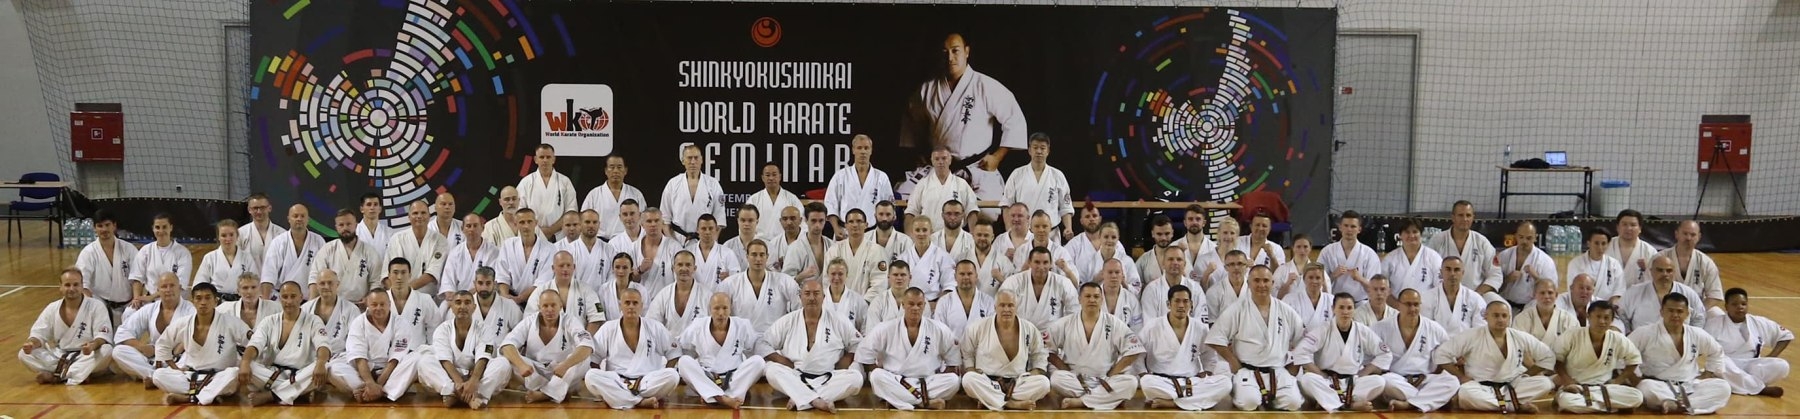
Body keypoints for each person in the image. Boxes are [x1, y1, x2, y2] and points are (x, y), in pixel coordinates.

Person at [899, 33, 1023, 217]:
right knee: (902, 200)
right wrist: (919, 154)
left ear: (967, 51)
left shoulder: (985, 85)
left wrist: (997, 157)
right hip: (937, 167)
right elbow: (911, 121)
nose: (950, 58)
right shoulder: (927, 89)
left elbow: (1015, 119)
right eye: (945, 52)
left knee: (987, 212)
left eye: (955, 51)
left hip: (976, 168)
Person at [1205, 265, 1305, 411]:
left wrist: (1295, 366)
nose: (1261, 285)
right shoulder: (1238, 308)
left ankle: (1268, 398)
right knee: (1249, 402)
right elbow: (1215, 338)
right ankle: (1242, 390)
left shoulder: (1286, 310)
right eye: (1256, 280)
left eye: (1266, 280)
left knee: (1293, 403)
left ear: (1272, 283)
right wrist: (1233, 362)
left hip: (1278, 370)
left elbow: (1303, 342)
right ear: (1249, 283)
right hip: (1248, 371)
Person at [759, 279, 864, 412]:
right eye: (807, 293)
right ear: (800, 297)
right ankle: (815, 400)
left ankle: (801, 397)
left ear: (823, 297)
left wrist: (848, 358)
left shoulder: (838, 319)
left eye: (816, 293)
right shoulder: (788, 320)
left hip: (829, 378)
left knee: (856, 378)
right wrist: (780, 359)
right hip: (796, 376)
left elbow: (858, 343)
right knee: (771, 370)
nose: (812, 298)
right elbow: (762, 343)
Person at [1435, 300, 1556, 413]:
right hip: (1480, 387)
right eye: (1496, 315)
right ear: (1486, 316)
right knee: (1466, 393)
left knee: (1545, 383)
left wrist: (1527, 374)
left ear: (1509, 318)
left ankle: (1501, 404)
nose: (1500, 319)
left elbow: (1548, 356)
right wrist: (1461, 377)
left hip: (1512, 387)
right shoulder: (1471, 335)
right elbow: (1441, 354)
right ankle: (1513, 406)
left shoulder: (1519, 336)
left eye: (1504, 316)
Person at [858, 287, 962, 410]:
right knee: (876, 376)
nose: (915, 308)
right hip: (897, 381)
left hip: (927, 382)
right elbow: (865, 356)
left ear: (924, 306)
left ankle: (898, 400)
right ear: (903, 305)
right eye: (911, 304)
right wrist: (889, 377)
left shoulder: (939, 329)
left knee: (954, 380)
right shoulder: (886, 328)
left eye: (919, 304)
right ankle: (924, 402)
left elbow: (953, 362)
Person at [1046, 282, 1145, 410]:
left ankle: (1081, 401)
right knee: (1056, 379)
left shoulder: (1114, 323)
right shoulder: (1066, 323)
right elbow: (1047, 350)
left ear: (1102, 299)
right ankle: (1107, 399)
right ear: (1079, 299)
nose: (1092, 300)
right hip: (1076, 379)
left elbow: (1134, 350)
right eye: (1087, 296)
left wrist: (1112, 374)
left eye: (1096, 296)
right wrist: (1065, 369)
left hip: (1105, 379)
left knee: (1131, 382)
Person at [1630, 293, 1733, 414]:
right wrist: (1635, 379)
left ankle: (1674, 405)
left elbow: (1716, 351)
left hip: (1690, 384)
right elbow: (1624, 354)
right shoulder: (1645, 332)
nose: (1675, 315)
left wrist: (1707, 374)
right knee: (1646, 387)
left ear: (1687, 313)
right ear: (1662, 312)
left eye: (1679, 311)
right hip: (1659, 385)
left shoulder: (1696, 333)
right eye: (1670, 311)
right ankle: (1687, 405)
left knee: (1723, 387)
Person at [150, 282, 250, 405]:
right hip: (191, 376)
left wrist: (245, 363)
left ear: (216, 301)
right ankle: (208, 395)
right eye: (198, 298)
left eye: (207, 298)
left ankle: (189, 397)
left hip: (219, 376)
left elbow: (253, 343)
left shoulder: (230, 322)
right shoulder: (184, 323)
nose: (203, 302)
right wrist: (175, 368)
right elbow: (162, 344)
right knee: (158, 375)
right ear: (193, 301)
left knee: (233, 374)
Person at [1138, 284, 1233, 410]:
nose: (1181, 305)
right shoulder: (1153, 326)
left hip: (1191, 382)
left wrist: (1207, 371)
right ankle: (1193, 401)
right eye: (1177, 301)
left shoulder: (1200, 328)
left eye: (1185, 301)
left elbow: (1209, 354)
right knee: (1146, 382)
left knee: (1225, 383)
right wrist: (1143, 373)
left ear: (1191, 304)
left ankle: (1173, 403)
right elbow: (1138, 353)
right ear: (1168, 304)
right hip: (1162, 382)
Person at [490, 289, 594, 404]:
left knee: (584, 358)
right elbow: (507, 345)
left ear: (560, 306)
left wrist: (565, 365)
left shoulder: (570, 321)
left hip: (562, 373)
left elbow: (587, 345)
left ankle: (546, 394)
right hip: (536, 373)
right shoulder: (529, 321)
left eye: (553, 305)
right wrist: (521, 365)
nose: (550, 309)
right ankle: (554, 391)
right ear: (539, 307)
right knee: (506, 357)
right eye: (545, 306)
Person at [1293, 293, 1391, 412]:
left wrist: (1364, 372)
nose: (1345, 312)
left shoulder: (1362, 330)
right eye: (1341, 307)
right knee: (1307, 379)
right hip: (1328, 381)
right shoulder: (1324, 329)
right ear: (1333, 309)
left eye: (1349, 308)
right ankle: (1349, 405)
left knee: (1379, 382)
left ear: (1354, 310)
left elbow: (1385, 353)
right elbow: (1300, 351)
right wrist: (1320, 374)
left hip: (1352, 382)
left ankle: (1330, 401)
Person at [584, 288, 680, 410]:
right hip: (618, 382)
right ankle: (639, 401)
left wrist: (608, 392)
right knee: (591, 376)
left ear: (641, 306)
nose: (631, 307)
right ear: (620, 305)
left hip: (647, 382)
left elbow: (674, 353)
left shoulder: (655, 327)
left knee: (673, 375)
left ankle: (621, 398)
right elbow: (594, 359)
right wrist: (608, 384)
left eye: (635, 303)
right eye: (627, 303)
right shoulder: (608, 328)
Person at [239, 281, 331, 406]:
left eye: (293, 296)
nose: (289, 301)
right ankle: (297, 392)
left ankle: (271, 395)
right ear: (280, 299)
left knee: (325, 365)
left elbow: (323, 345)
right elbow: (255, 344)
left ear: (301, 297)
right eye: (285, 297)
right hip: (273, 373)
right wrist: (245, 363)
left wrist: (320, 363)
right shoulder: (269, 321)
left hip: (300, 373)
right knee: (246, 365)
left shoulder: (313, 320)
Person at [408, 290, 504, 409]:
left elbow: (483, 358)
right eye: (458, 302)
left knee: (503, 363)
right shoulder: (442, 329)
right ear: (452, 307)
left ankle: (471, 394)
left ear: (474, 307)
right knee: (424, 362)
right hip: (450, 376)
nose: (462, 306)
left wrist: (473, 381)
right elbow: (445, 360)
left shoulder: (485, 329)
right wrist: (458, 383)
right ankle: (465, 396)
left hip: (476, 376)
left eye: (467, 302)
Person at [960, 290, 1052, 411]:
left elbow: (1039, 355)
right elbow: (967, 354)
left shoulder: (1029, 328)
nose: (1006, 309)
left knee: (1044, 383)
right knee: (968, 379)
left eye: (1010, 305)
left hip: (1016, 384)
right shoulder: (978, 327)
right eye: (1002, 305)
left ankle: (990, 400)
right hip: (987, 381)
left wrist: (1032, 374)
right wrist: (972, 371)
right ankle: (1010, 403)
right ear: (995, 307)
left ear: (1016, 307)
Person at [329, 288, 425, 403]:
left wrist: (378, 384)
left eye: (382, 304)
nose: (378, 308)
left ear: (389, 304)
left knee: (416, 358)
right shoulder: (358, 323)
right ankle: (367, 389)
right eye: (374, 305)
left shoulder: (400, 323)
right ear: (367, 305)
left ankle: (379, 392)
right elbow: (359, 358)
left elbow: (395, 359)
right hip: (363, 372)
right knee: (334, 367)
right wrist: (370, 383)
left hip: (391, 372)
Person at [20, 268, 114, 385]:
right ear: (60, 287)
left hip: (86, 355)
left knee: (107, 350)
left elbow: (103, 336)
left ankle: (57, 375)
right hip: (59, 356)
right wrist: (31, 344)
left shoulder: (96, 306)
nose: (72, 289)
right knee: (24, 354)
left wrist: (92, 345)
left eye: (76, 285)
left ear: (82, 286)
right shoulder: (52, 308)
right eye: (67, 285)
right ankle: (76, 374)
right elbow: (38, 334)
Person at [1548, 301, 1644, 413]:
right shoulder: (1572, 335)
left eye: (1606, 317)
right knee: (1567, 401)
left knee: (1637, 397)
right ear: (1588, 317)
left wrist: (1618, 381)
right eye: (1598, 317)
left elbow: (1634, 360)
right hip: (1577, 387)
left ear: (1612, 320)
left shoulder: (1617, 338)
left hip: (1605, 388)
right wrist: (1568, 381)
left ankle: (1592, 404)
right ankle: (1613, 407)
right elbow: (1557, 360)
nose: (1602, 321)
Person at [1372, 288, 1459, 412]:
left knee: (1452, 381)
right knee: (1384, 381)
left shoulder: (1434, 328)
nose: (1412, 309)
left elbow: (1447, 357)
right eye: (1408, 304)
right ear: (1398, 305)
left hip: (1425, 380)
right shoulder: (1380, 327)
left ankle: (1409, 404)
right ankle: (1430, 400)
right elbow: (1370, 357)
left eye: (1416, 304)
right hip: (1397, 381)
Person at [676, 293, 766, 409]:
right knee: (684, 361)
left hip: (734, 378)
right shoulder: (698, 325)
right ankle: (723, 398)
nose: (721, 313)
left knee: (759, 361)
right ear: (710, 309)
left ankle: (713, 396)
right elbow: (680, 345)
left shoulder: (742, 325)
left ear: (730, 309)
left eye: (725, 308)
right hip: (707, 377)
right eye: (716, 308)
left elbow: (754, 348)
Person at [1704, 287, 1790, 397]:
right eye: (1734, 304)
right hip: (1728, 366)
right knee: (1720, 361)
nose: (1740, 307)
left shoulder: (1758, 321)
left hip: (1752, 365)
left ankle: (1740, 384)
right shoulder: (1714, 324)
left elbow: (1785, 336)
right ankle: (1760, 389)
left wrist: (1770, 356)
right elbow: (1704, 349)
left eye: (1743, 304)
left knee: (1782, 365)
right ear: (1726, 306)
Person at [112, 273, 192, 387]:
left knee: (191, 355)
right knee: (118, 351)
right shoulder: (150, 309)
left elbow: (196, 335)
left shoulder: (190, 310)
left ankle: (159, 377)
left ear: (179, 288)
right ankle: (155, 376)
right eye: (164, 286)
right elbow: (123, 331)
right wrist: (142, 347)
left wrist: (173, 352)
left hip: (177, 358)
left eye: (172, 285)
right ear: (158, 290)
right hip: (153, 359)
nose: (168, 290)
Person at [823, 134, 895, 239]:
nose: (863, 152)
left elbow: (888, 205)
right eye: (859, 148)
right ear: (853, 150)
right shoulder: (840, 176)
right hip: (845, 231)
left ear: (871, 150)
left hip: (873, 232)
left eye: (866, 148)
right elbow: (830, 204)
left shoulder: (881, 177)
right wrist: (836, 228)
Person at [1001, 134, 1073, 237]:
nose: (1039, 151)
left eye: (1042, 148)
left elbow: (1066, 206)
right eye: (1035, 147)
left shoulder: (1057, 175)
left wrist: (1068, 228)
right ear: (1029, 150)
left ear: (1048, 151)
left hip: (1051, 233)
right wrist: (1009, 231)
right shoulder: (1017, 174)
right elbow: (1007, 204)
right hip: (1023, 233)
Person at [718, 240, 799, 332]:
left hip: (775, 336)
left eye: (762, 255)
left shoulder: (784, 281)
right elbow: (719, 312)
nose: (758, 259)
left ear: (767, 257)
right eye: (754, 254)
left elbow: (799, 307)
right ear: (747, 257)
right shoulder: (730, 283)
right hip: (742, 336)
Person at [1425, 201, 1503, 296]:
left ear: (1473, 217)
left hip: (1477, 295)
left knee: (1499, 302)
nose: (1465, 219)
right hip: (1442, 294)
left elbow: (1495, 275)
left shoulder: (1482, 242)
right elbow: (1428, 270)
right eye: (1460, 215)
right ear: (1453, 217)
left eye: (1468, 215)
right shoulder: (1437, 240)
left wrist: (1477, 295)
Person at [77, 210, 138, 323]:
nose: (104, 229)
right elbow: (83, 283)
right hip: (101, 306)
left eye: (107, 225)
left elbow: (137, 277)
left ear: (114, 226)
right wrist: (91, 307)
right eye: (100, 226)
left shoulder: (129, 249)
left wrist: (136, 300)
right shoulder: (88, 253)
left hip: (128, 306)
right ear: (94, 228)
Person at [1618, 256, 1706, 333]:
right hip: (1642, 341)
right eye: (1660, 270)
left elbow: (1699, 317)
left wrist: (1692, 336)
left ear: (1674, 272)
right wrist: (1629, 335)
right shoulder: (1634, 292)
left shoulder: (1688, 293)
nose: (1665, 274)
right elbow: (1621, 315)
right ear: (1651, 271)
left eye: (1669, 271)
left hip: (1679, 341)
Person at [524, 252, 604, 336]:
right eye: (561, 266)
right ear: (553, 268)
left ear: (574, 267)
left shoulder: (587, 290)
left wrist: (584, 340)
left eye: (568, 265)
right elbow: (529, 319)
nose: (565, 269)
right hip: (548, 339)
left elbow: (596, 319)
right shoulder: (540, 291)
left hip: (579, 338)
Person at [311, 209, 382, 302]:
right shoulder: (327, 249)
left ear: (356, 225)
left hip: (361, 305)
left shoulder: (369, 251)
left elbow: (376, 281)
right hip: (333, 304)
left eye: (348, 224)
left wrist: (369, 299)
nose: (345, 228)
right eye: (341, 225)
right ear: (336, 227)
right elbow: (316, 277)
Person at [999, 247, 1078, 329]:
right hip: (1021, 332)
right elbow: (1000, 308)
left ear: (1051, 263)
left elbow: (1074, 310)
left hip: (1053, 334)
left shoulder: (1063, 282)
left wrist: (1064, 331)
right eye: (1037, 262)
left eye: (1045, 262)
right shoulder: (1013, 282)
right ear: (1029, 262)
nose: (1041, 267)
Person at [660, 144, 726, 241]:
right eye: (689, 158)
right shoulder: (673, 184)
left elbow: (719, 219)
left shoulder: (713, 184)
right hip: (678, 238)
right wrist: (672, 243)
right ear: (683, 161)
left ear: (702, 160)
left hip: (705, 239)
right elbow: (665, 221)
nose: (693, 162)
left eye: (696, 158)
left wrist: (712, 243)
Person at [905, 148, 979, 232]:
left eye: (944, 158)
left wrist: (973, 235)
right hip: (929, 235)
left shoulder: (961, 184)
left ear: (950, 160)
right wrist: (910, 236)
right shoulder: (923, 184)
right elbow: (911, 211)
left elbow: (972, 210)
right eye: (937, 159)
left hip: (955, 234)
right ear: (932, 161)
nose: (940, 162)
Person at [386, 201, 449, 297]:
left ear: (429, 216)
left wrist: (406, 290)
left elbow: (432, 273)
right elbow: (386, 274)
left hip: (428, 297)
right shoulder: (397, 239)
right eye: (415, 213)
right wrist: (397, 294)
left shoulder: (440, 240)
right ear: (409, 217)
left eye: (423, 213)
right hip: (399, 297)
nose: (419, 216)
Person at [1658, 220, 1725, 310]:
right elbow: (1649, 288)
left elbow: (1714, 295)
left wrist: (1698, 312)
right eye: (1685, 234)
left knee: (1717, 312)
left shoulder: (1706, 262)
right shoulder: (1660, 258)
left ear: (1699, 237)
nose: (1688, 238)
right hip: (1664, 308)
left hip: (1695, 309)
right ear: (1676, 234)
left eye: (1693, 235)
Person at [821, 209, 888, 298]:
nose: (855, 225)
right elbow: (827, 280)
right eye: (851, 222)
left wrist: (861, 303)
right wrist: (838, 301)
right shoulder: (834, 250)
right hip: (839, 303)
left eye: (859, 221)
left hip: (866, 304)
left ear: (866, 225)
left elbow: (879, 284)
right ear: (846, 225)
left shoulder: (877, 251)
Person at [262, 204, 324, 299]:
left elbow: (321, 273)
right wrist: (265, 301)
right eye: (295, 216)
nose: (299, 219)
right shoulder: (278, 242)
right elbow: (269, 273)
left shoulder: (318, 241)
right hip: (282, 298)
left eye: (302, 216)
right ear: (289, 219)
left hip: (309, 297)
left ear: (308, 219)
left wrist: (311, 302)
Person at [301, 271, 362, 367]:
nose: (326, 286)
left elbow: (356, 341)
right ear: (317, 286)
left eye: (330, 283)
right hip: (309, 359)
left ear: (337, 284)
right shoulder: (305, 309)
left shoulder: (351, 310)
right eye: (322, 283)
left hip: (339, 359)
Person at [516, 144, 579, 237]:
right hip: (532, 234)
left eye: (548, 157)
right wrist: (538, 231)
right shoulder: (526, 182)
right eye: (541, 157)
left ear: (553, 159)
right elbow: (520, 211)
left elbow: (571, 211)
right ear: (535, 159)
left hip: (559, 235)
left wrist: (551, 230)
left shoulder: (565, 181)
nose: (545, 160)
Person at [1497, 222, 1560, 312]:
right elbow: (1493, 284)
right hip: (1504, 305)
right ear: (1516, 236)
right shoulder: (1504, 256)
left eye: (1529, 238)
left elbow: (1551, 292)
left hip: (1531, 308)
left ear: (1535, 238)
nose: (1524, 241)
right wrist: (1507, 279)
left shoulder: (1545, 261)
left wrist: (1536, 277)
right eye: (1521, 237)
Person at [496, 208, 555, 304]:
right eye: (522, 222)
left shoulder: (550, 249)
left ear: (536, 223)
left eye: (529, 222)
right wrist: (505, 297)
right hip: (509, 299)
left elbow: (543, 281)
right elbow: (502, 276)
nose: (526, 226)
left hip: (538, 300)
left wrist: (520, 299)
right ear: (515, 224)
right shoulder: (508, 245)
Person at [645, 251, 710, 338]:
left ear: (694, 268)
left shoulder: (707, 295)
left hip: (697, 345)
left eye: (688, 265)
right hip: (669, 345)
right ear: (673, 268)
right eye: (680, 264)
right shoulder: (664, 294)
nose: (684, 268)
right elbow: (651, 323)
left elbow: (714, 326)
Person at [1320, 212, 1382, 301]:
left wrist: (1360, 278)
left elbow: (1376, 287)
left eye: (1353, 226)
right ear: (1340, 227)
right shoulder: (1327, 251)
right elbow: (1317, 281)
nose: (1349, 229)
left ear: (1359, 229)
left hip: (1361, 303)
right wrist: (1333, 275)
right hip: (1334, 302)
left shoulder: (1369, 254)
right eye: (1346, 226)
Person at [581, 155, 647, 238]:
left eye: (619, 167)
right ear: (606, 171)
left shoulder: (636, 194)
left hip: (628, 240)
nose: (615, 171)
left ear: (625, 170)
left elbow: (644, 220)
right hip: (600, 240)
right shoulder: (594, 194)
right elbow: (584, 219)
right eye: (612, 167)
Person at [129, 213, 193, 297]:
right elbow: (137, 277)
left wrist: (151, 297)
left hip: (174, 299)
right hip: (150, 300)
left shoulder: (183, 253)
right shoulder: (145, 250)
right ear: (153, 229)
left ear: (171, 227)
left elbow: (180, 284)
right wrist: (137, 299)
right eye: (157, 227)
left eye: (164, 227)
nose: (161, 231)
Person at [1141, 246, 1208, 323]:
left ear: (1185, 264)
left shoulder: (1195, 289)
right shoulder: (1151, 290)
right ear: (1163, 263)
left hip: (1191, 331)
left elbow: (1201, 323)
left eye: (1179, 259)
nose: (1175, 263)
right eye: (1170, 259)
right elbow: (1149, 324)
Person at [626, 208, 685, 294]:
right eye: (649, 221)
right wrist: (640, 270)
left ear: (662, 223)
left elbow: (680, 278)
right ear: (642, 224)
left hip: (666, 298)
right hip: (641, 298)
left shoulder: (674, 247)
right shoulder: (633, 248)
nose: (653, 224)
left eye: (657, 221)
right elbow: (630, 281)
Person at [1381, 218, 1442, 301]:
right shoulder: (1390, 259)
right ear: (1400, 235)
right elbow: (1382, 289)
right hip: (1396, 307)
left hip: (1426, 307)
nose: (1411, 235)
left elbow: (1440, 286)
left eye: (1415, 232)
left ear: (1421, 234)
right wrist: (1398, 306)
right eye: (1407, 232)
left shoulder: (1433, 257)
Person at [196, 219, 258, 301]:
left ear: (237, 235)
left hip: (241, 302)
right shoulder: (210, 258)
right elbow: (200, 285)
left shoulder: (247, 257)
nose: (228, 239)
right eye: (223, 235)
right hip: (217, 302)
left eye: (231, 235)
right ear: (218, 237)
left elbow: (254, 282)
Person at [894, 216, 953, 301]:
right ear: (912, 232)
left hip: (934, 303)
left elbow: (949, 285)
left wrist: (939, 304)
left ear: (931, 231)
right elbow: (897, 287)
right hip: (909, 303)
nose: (921, 234)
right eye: (917, 230)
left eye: (924, 230)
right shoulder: (903, 258)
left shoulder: (942, 256)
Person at [382, 259, 446, 338]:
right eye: (395, 273)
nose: (399, 277)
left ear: (409, 275)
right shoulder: (380, 300)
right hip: (387, 345)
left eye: (403, 272)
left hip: (418, 346)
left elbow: (435, 328)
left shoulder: (425, 300)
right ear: (389, 275)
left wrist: (431, 345)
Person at [1425, 257, 1488, 335]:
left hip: (1466, 342)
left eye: (1456, 270)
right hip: (1437, 342)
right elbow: (1425, 328)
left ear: (1462, 273)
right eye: (1448, 269)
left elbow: (1480, 329)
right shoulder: (1427, 297)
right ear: (1441, 272)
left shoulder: (1475, 298)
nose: (1452, 274)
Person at [440, 214, 499, 297]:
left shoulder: (494, 252)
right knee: (444, 305)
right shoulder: (455, 253)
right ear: (462, 229)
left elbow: (493, 282)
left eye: (475, 226)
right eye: (468, 226)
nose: (472, 229)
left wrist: (467, 296)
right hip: (458, 299)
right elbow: (447, 283)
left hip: (485, 296)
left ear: (482, 228)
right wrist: (454, 297)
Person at [745, 161, 805, 241]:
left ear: (780, 177)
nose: (771, 178)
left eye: (774, 175)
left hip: (785, 242)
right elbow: (746, 223)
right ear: (763, 178)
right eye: (767, 175)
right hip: (759, 243)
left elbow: (802, 223)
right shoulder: (754, 199)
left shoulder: (792, 199)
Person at [935, 260, 994, 337]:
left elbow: (992, 329)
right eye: (962, 274)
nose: (966, 277)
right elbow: (939, 331)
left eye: (969, 274)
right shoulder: (944, 302)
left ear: (976, 276)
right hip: (951, 344)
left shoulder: (988, 301)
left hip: (981, 344)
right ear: (955, 277)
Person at [1568, 229, 1626, 304]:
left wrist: (1611, 305)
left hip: (1606, 307)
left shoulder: (1614, 264)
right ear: (1588, 243)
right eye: (1596, 243)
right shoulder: (1576, 263)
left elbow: (1619, 291)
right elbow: (1573, 290)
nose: (1600, 247)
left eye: (1603, 243)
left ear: (1608, 244)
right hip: (1582, 306)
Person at [560, 210, 615, 291]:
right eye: (587, 222)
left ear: (599, 224)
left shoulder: (609, 249)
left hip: (602, 296)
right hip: (577, 295)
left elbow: (612, 276)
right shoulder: (569, 250)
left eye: (595, 222)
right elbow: (566, 278)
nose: (591, 225)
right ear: (580, 224)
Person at [1074, 222, 1139, 290]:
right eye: (1106, 237)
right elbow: (1080, 288)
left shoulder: (1127, 261)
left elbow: (1136, 287)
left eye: (1113, 237)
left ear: (1118, 238)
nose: (1109, 240)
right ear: (1099, 237)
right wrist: (1094, 281)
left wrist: (1124, 284)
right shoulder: (1088, 262)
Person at [1515, 279, 1580, 342]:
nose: (1546, 296)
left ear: (1556, 295)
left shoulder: (1569, 320)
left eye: (1550, 293)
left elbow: (1575, 344)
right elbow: (1518, 344)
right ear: (1534, 295)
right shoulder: (1522, 319)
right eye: (1542, 293)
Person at [782, 202, 834, 282]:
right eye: (813, 221)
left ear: (826, 220)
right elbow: (785, 280)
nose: (817, 225)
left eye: (821, 221)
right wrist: (801, 276)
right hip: (803, 289)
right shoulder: (795, 248)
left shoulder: (832, 245)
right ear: (806, 220)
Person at [1607, 209, 1658, 287]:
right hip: (1608, 292)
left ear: (1640, 229)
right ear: (1617, 227)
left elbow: (1658, 277)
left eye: (1633, 225)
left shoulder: (1649, 251)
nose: (1628, 228)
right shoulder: (1605, 246)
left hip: (1639, 293)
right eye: (1624, 224)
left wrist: (1647, 268)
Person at [686, 214, 741, 287]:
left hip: (719, 294)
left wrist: (730, 278)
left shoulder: (727, 253)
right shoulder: (688, 252)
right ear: (697, 230)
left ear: (716, 229)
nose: (707, 232)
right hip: (695, 293)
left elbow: (737, 278)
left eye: (711, 228)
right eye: (703, 228)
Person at [238, 193, 287, 271]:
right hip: (249, 278)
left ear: (269, 208)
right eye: (255, 208)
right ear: (249, 210)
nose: (259, 211)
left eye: (262, 208)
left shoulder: (282, 234)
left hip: (275, 278)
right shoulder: (241, 234)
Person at [596, 253, 650, 323]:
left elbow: (646, 316)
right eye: (617, 267)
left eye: (625, 268)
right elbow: (600, 315)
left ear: (631, 270)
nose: (621, 271)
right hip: (609, 328)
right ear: (612, 269)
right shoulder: (603, 290)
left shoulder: (641, 291)